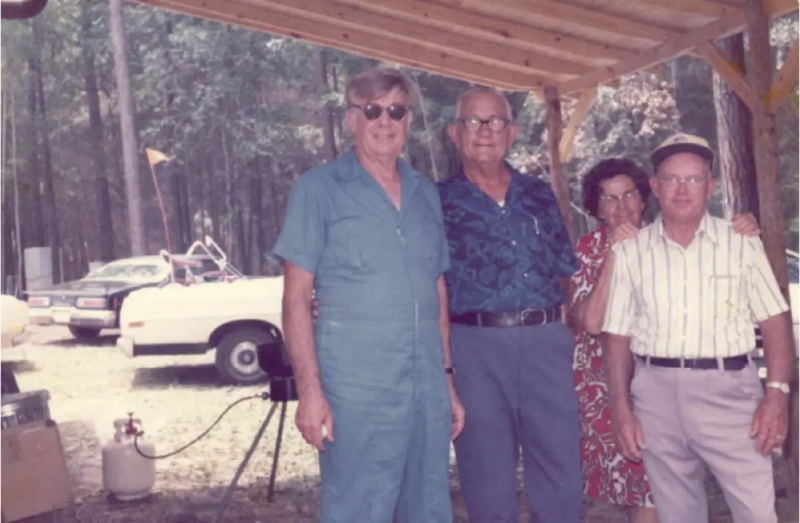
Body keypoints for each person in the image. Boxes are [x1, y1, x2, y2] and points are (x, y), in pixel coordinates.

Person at [272, 67, 464, 523]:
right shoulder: (317, 190)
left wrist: (448, 384)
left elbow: (435, 290)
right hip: (356, 390)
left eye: (396, 110)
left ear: (409, 119)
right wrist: (310, 392)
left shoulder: (425, 193)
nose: (384, 121)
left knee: (429, 506)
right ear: (351, 119)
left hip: (425, 387)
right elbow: (295, 300)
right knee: (360, 507)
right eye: (372, 109)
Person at [602, 133, 793, 523]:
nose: (682, 189)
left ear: (711, 186)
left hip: (730, 392)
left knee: (757, 511)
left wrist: (776, 394)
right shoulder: (631, 251)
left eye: (693, 179)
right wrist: (621, 408)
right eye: (671, 179)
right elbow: (616, 335)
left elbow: (774, 319)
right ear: (655, 188)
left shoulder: (740, 243)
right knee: (677, 513)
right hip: (655, 394)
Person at [569, 157, 761, 523]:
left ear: (645, 198)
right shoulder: (585, 251)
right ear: (596, 207)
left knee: (660, 492)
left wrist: (744, 226)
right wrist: (615, 253)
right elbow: (593, 322)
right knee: (636, 489)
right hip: (602, 389)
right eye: (609, 198)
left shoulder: (664, 241)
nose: (622, 205)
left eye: (629, 194)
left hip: (655, 382)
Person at [439, 86, 582, 523]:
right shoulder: (434, 200)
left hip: (545, 344)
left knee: (562, 474)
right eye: (474, 121)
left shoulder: (539, 193)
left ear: (512, 132)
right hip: (473, 346)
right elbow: (427, 285)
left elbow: (564, 267)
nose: (486, 131)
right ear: (454, 133)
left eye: (496, 121)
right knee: (487, 479)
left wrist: (561, 335)